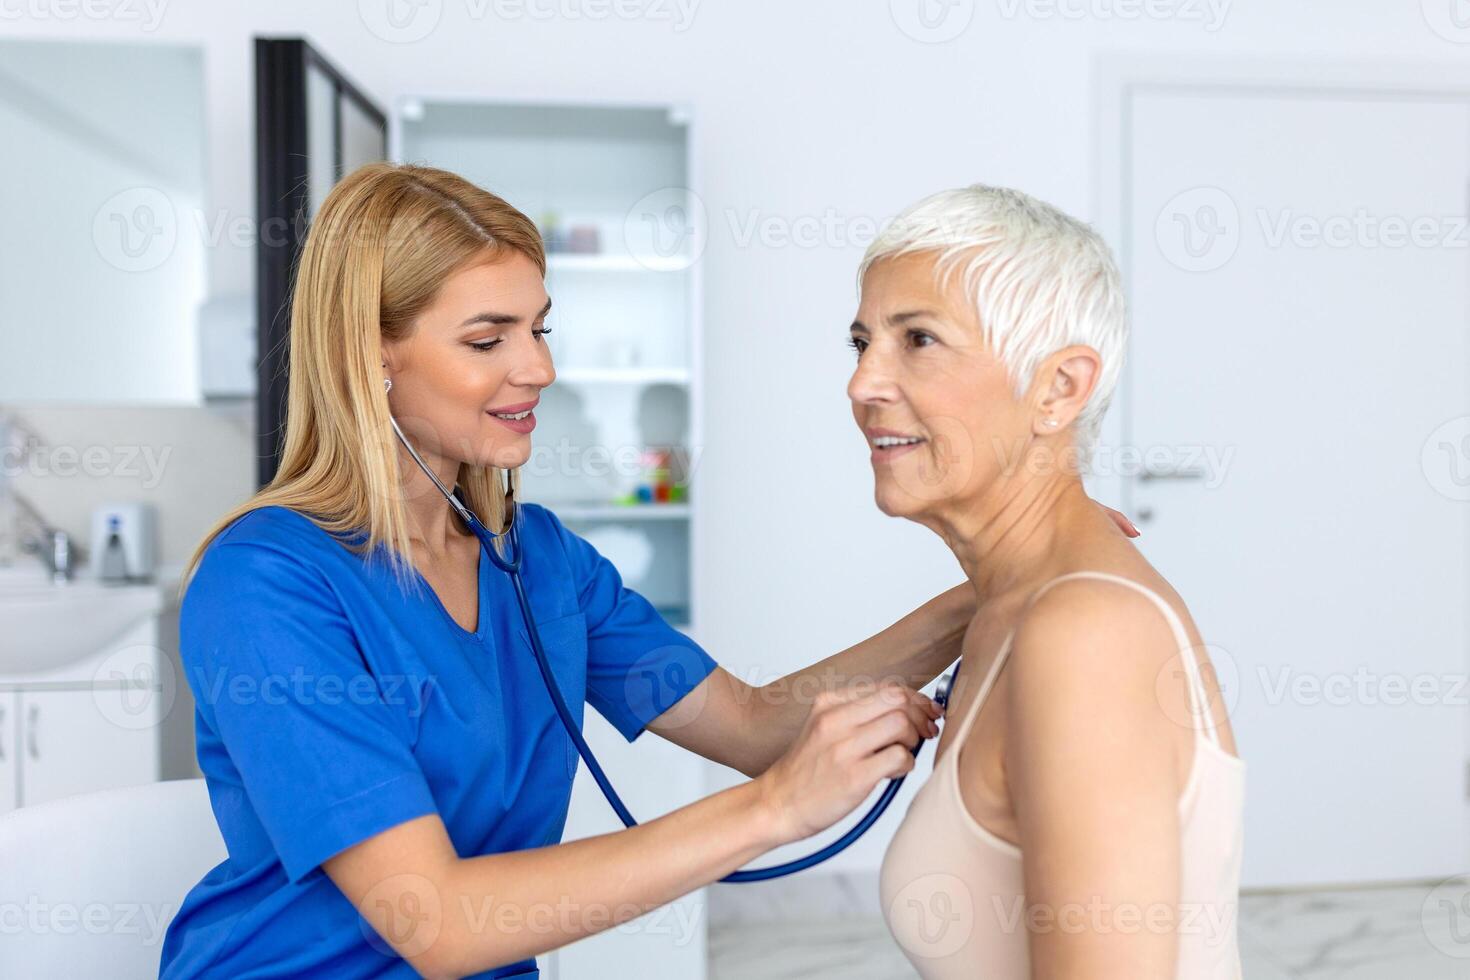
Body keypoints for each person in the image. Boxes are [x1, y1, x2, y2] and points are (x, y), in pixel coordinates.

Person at [158, 162, 979, 980]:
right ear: (371, 354)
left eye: (538, 330)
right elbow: (433, 920)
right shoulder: (265, 584)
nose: (539, 370)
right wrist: (774, 810)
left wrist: (979, 597)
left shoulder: (540, 560)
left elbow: (755, 725)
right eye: (488, 340)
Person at [863, 186, 1246, 978]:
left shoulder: (1084, 634)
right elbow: (755, 726)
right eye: (861, 342)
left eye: (919, 340)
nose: (863, 383)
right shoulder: (1018, 608)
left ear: (1060, 389)